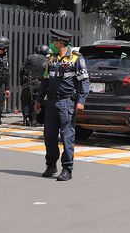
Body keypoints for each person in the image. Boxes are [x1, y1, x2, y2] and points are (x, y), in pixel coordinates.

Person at [33, 29, 89, 181]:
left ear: (60, 42)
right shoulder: (51, 59)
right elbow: (45, 81)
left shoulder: (76, 59)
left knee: (67, 136)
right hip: (51, 103)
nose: (52, 44)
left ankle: (67, 168)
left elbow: (84, 81)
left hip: (67, 102)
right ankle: (51, 165)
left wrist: (81, 101)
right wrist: (39, 100)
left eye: (54, 41)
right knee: (49, 136)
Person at [21, 44, 48, 126]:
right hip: (39, 83)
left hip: (27, 83)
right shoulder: (47, 60)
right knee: (36, 101)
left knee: (25, 101)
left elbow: (22, 70)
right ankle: (34, 120)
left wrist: (22, 82)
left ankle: (25, 119)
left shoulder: (29, 57)